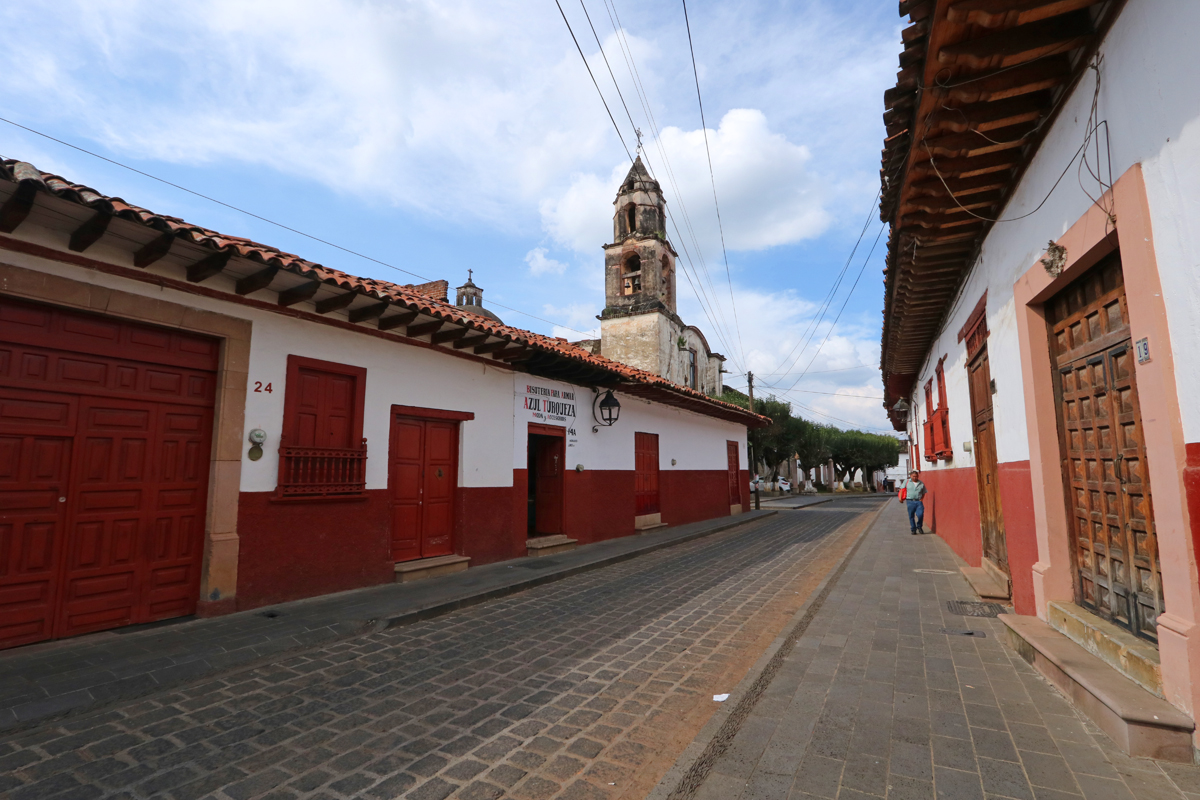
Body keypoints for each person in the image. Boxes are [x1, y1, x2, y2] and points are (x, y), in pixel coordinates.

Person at [905, 470, 926, 535]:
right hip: (910, 501)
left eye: (916, 476)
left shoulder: (921, 483)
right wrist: (900, 498)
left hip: (918, 501)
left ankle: (919, 526)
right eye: (913, 476)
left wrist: (921, 499)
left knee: (920, 514)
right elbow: (902, 489)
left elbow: (924, 492)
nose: (915, 478)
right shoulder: (907, 482)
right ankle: (913, 529)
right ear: (911, 476)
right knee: (911, 516)